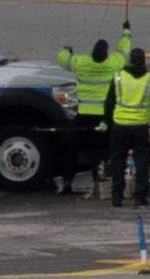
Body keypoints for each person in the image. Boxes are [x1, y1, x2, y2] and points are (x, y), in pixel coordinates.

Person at [55, 20, 131, 195]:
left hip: (83, 116)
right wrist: (126, 31)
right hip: (103, 118)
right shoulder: (113, 64)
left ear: (92, 51)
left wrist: (67, 50)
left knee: (73, 149)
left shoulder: (81, 63)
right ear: (106, 54)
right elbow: (123, 51)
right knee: (100, 150)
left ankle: (67, 181)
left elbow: (63, 60)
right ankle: (98, 180)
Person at [106, 48, 150, 208]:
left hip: (120, 126)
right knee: (142, 162)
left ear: (129, 60)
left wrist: (107, 122)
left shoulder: (118, 77)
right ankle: (140, 196)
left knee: (118, 161)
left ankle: (117, 196)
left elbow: (109, 102)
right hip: (139, 127)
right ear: (144, 61)